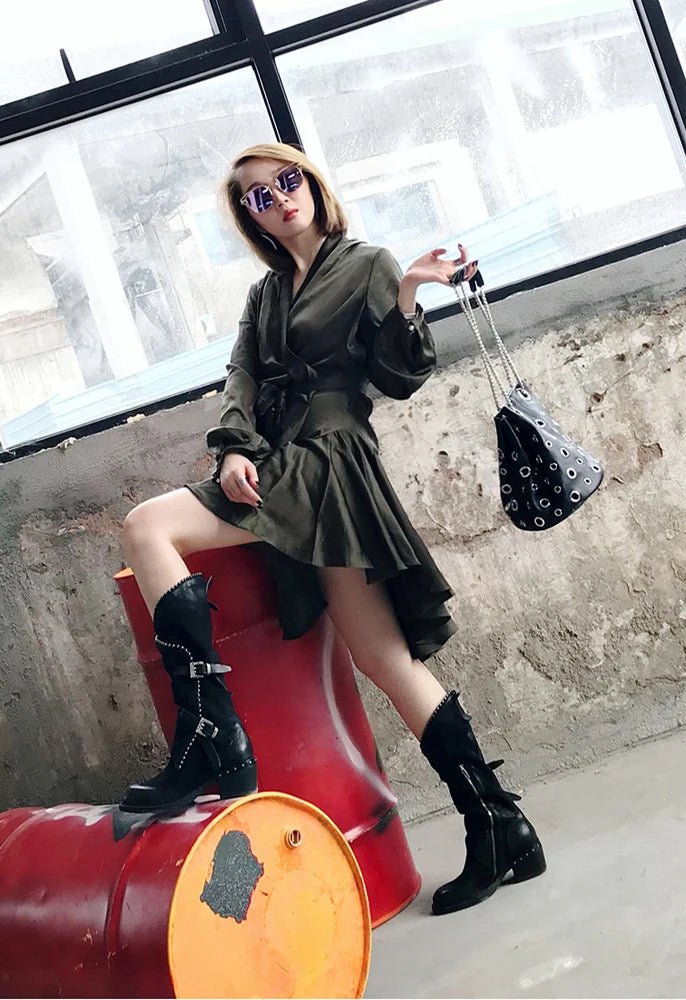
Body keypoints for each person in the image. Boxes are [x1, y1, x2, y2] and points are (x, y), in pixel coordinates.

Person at [118, 142, 546, 915]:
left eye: (288, 181)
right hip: (283, 463)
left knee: (148, 526)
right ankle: (500, 823)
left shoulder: (367, 264)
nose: (280, 197)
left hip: (328, 460)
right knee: (383, 658)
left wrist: (408, 292)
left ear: (312, 184)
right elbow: (241, 377)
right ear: (250, 217)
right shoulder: (266, 295)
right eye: (259, 195)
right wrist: (234, 450)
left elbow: (398, 377)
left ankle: (213, 735)